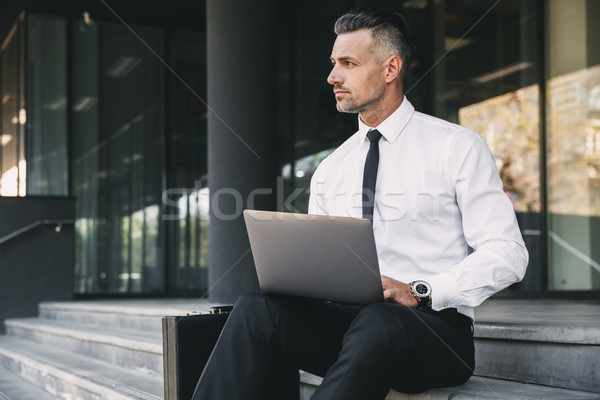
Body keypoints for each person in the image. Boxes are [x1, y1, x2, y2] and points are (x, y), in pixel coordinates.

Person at [192, 6, 528, 400]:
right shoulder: (332, 168)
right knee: (255, 307)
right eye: (334, 63)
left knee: (383, 319)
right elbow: (320, 268)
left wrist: (420, 290)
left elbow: (508, 254)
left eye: (348, 63)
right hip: (353, 329)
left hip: (435, 333)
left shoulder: (456, 147)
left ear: (390, 69)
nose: (332, 76)